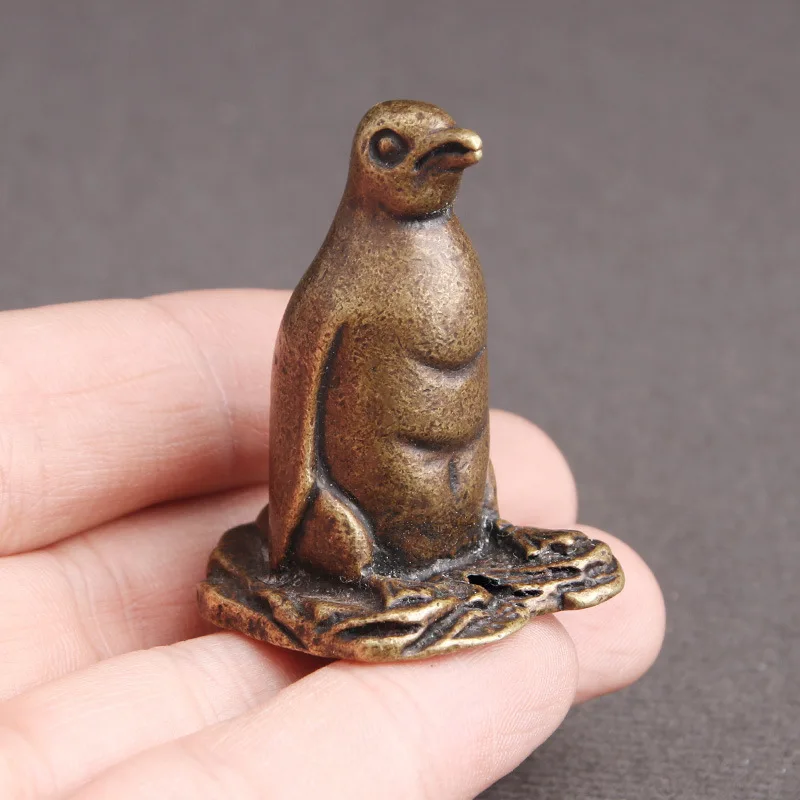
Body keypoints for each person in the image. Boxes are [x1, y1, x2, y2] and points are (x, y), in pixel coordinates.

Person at [0, 289, 665, 798]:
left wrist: (482, 518)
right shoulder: (340, 291)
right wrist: (310, 526)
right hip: (347, 540)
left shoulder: (445, 273)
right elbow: (306, 409)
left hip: (461, 524)